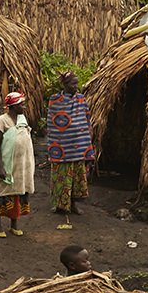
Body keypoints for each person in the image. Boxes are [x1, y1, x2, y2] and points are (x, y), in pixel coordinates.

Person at [46, 72, 93, 220]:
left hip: (78, 147)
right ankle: (60, 204)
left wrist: (87, 142)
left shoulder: (81, 99)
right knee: (60, 178)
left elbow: (86, 120)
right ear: (65, 85)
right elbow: (52, 124)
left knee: (76, 178)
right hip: (61, 147)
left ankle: (73, 204)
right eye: (73, 84)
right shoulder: (55, 100)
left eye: (77, 83)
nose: (76, 87)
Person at [0, 91, 35, 238]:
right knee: (2, 193)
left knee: (18, 192)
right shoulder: (2, 121)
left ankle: (14, 225)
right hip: (7, 164)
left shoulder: (22, 119)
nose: (24, 106)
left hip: (22, 165)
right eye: (21, 104)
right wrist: (1, 166)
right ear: (13, 106)